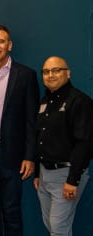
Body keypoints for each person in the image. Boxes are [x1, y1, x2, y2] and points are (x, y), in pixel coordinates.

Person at [0, 25, 40, 236]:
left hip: (12, 155)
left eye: (1, 41)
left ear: (9, 45)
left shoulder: (26, 75)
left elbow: (32, 120)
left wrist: (30, 156)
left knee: (11, 211)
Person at [33, 56, 93, 235]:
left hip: (66, 175)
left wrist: (72, 180)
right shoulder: (45, 102)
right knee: (51, 225)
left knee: (58, 229)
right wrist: (37, 173)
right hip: (44, 174)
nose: (50, 75)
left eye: (56, 70)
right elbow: (41, 138)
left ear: (68, 73)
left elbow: (85, 143)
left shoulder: (79, 101)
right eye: (46, 72)